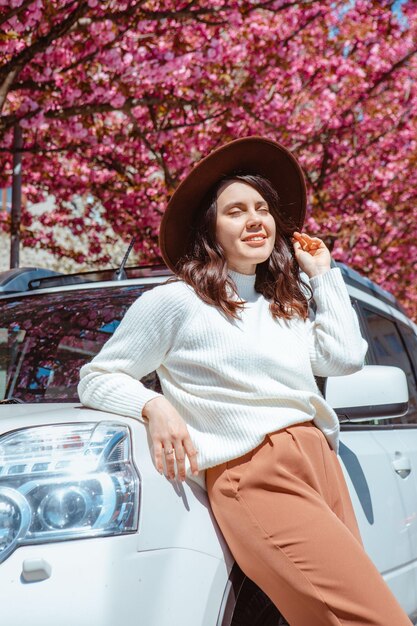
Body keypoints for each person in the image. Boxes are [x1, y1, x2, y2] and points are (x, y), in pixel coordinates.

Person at [78, 136, 412, 626]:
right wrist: (154, 407)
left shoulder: (285, 303)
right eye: (235, 211)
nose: (255, 219)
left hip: (318, 461)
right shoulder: (175, 302)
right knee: (371, 618)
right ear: (209, 228)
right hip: (253, 471)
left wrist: (323, 274)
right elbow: (97, 375)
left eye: (262, 208)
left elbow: (345, 357)